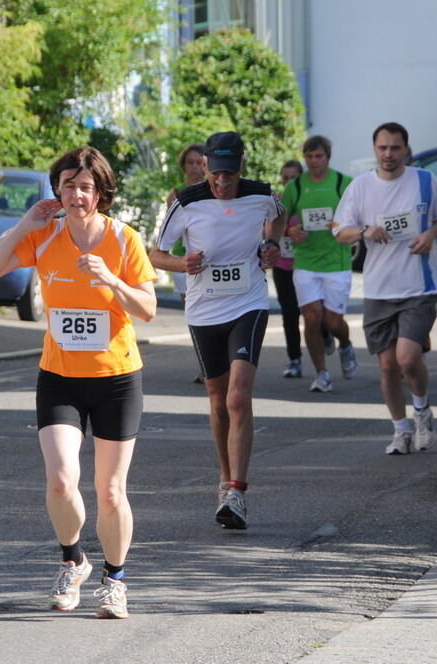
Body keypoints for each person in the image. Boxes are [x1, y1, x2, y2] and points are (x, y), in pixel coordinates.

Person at [0, 147, 157, 619]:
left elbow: (148, 309)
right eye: (69, 185)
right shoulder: (45, 234)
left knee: (111, 490)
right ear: (57, 189)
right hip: (59, 378)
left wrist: (112, 281)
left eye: (86, 187)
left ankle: (115, 578)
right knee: (60, 480)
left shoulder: (123, 240)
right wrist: (23, 225)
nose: (77, 195)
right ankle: (73, 558)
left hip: (116, 378)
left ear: (101, 193)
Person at [150, 131, 286, 528]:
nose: (223, 183)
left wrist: (271, 244)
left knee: (238, 397)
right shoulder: (187, 202)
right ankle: (225, 477)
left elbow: (277, 216)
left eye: (229, 174)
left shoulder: (261, 193)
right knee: (216, 399)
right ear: (205, 166)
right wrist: (183, 264)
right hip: (204, 310)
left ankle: (238, 492)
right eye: (216, 174)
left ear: (241, 166)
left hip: (249, 302)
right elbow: (156, 254)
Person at [332, 122, 437, 455]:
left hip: (419, 285)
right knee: (387, 366)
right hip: (379, 288)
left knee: (407, 359)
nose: (389, 154)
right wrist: (363, 231)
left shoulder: (425, 181)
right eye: (383, 148)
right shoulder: (360, 187)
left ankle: (422, 410)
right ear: (375, 150)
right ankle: (400, 430)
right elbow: (339, 230)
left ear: (405, 150)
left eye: (395, 148)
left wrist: (430, 235)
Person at [283, 136, 358, 393]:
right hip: (305, 262)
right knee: (311, 318)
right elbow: (278, 221)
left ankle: (346, 345)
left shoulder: (342, 183)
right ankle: (322, 373)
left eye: (319, 156)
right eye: (309, 156)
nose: (314, 162)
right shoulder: (296, 186)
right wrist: (290, 232)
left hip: (337, 262)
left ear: (328, 157)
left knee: (334, 322)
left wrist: (339, 225)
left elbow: (358, 219)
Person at [165, 144, 207, 383]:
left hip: (210, 261)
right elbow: (168, 230)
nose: (194, 168)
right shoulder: (176, 194)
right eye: (189, 163)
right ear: (183, 167)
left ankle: (216, 364)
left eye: (198, 163)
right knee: (194, 316)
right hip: (183, 261)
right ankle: (205, 365)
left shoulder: (214, 191)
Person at [273, 159, 305, 378]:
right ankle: (294, 360)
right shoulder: (276, 203)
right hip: (282, 266)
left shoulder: (307, 202)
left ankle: (325, 334)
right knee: (290, 313)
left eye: (293, 177)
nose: (289, 182)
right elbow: (266, 229)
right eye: (285, 178)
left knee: (316, 313)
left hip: (308, 265)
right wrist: (286, 231)